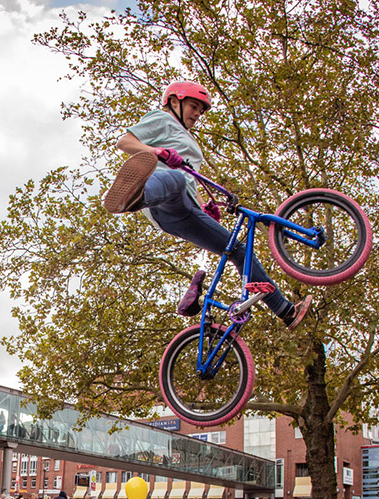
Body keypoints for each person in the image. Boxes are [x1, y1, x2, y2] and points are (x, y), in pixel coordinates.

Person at [103, 81, 311, 329]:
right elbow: (125, 142)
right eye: (193, 107)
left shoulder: (187, 140)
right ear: (174, 101)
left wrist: (205, 204)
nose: (197, 114)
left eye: (201, 111)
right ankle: (133, 196)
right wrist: (157, 152)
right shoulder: (162, 119)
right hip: (160, 193)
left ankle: (285, 310)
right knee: (176, 179)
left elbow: (190, 179)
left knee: (238, 249)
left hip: (183, 207)